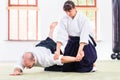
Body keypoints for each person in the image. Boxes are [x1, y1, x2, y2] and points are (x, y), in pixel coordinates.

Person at [10, 22, 80, 76]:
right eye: (26, 65)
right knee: (49, 39)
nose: (27, 68)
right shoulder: (24, 56)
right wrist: (17, 71)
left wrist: (75, 59)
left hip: (50, 48)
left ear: (34, 59)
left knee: (63, 66)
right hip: (39, 46)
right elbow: (18, 66)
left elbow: (62, 59)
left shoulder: (46, 59)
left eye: (28, 66)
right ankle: (52, 28)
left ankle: (68, 36)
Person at [53, 0, 97, 72]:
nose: (68, 13)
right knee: (67, 68)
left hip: (84, 43)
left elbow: (84, 35)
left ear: (74, 8)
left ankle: (92, 65)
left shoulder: (83, 18)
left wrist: (80, 51)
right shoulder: (64, 20)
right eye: (66, 12)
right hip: (72, 42)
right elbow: (61, 35)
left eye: (69, 11)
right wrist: (57, 51)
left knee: (82, 68)